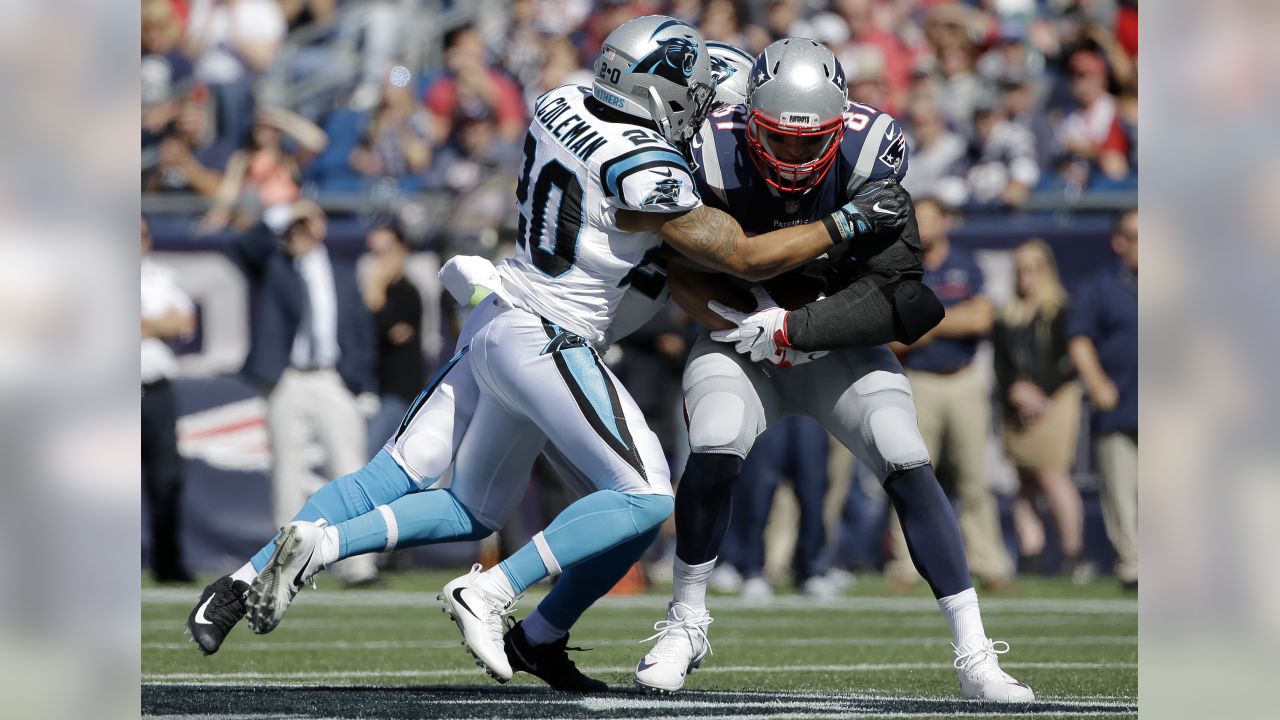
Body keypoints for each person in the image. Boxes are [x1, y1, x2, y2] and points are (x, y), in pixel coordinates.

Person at [185, 20, 907, 694]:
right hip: (551, 337)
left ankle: (281, 563)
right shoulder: (644, 168)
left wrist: (742, 78)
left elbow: (680, 108)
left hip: (499, 315)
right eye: (688, 100)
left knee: (438, 493)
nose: (699, 110)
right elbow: (742, 256)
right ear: (657, 98)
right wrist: (845, 219)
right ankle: (490, 592)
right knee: (646, 495)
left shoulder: (561, 98)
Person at [633, 39, 1032, 703]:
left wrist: (797, 328)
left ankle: (975, 653)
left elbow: (903, 296)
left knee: (907, 457)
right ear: (750, 121)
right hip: (741, 341)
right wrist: (741, 324)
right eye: (779, 142)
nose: (793, 158)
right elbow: (677, 271)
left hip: (834, 345)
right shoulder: (708, 151)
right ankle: (686, 620)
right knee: (715, 438)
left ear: (838, 124)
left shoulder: (870, 152)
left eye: (809, 141)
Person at [224, 199, 380, 588]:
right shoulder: (275, 265)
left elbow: (359, 329)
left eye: (304, 226)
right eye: (293, 228)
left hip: (332, 377)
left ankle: (358, 567)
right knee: (287, 475)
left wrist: (358, 380)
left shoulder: (342, 270)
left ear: (320, 227)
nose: (298, 234)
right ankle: (285, 569)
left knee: (351, 472)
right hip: (287, 378)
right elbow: (242, 247)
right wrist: (285, 212)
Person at [885, 196, 1014, 592]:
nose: (925, 227)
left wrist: (926, 324)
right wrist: (947, 321)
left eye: (930, 219)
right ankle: (905, 567)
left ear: (945, 223)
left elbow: (982, 317)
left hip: (963, 379)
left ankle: (989, 562)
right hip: (918, 381)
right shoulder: (898, 269)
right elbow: (891, 339)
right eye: (917, 220)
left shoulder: (966, 264)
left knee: (975, 478)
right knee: (911, 474)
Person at [992, 240, 1083, 575]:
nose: (1025, 277)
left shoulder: (1061, 310)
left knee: (1053, 475)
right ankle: (1032, 555)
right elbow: (1001, 365)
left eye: (1033, 268)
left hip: (1056, 401)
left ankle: (1072, 554)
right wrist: (1015, 390)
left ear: (1047, 270)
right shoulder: (1008, 315)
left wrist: (1039, 394)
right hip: (1017, 406)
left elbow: (1071, 361)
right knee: (1025, 480)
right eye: (1020, 269)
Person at [1068, 210, 1138, 590]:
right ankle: (1134, 566)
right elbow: (1079, 337)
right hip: (1119, 403)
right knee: (1121, 491)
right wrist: (1096, 382)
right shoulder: (1100, 286)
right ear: (1120, 242)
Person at [141, 216, 195, 583]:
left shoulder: (160, 276)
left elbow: (183, 322)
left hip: (154, 388)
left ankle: (167, 562)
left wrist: (147, 325)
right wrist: (154, 323)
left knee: (166, 478)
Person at [360, 224, 428, 453]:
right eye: (375, 251)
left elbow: (397, 333)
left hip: (400, 394)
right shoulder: (372, 292)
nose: (381, 258)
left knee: (372, 455)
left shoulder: (407, 291)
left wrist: (376, 298)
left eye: (387, 249)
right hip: (372, 391)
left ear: (402, 249)